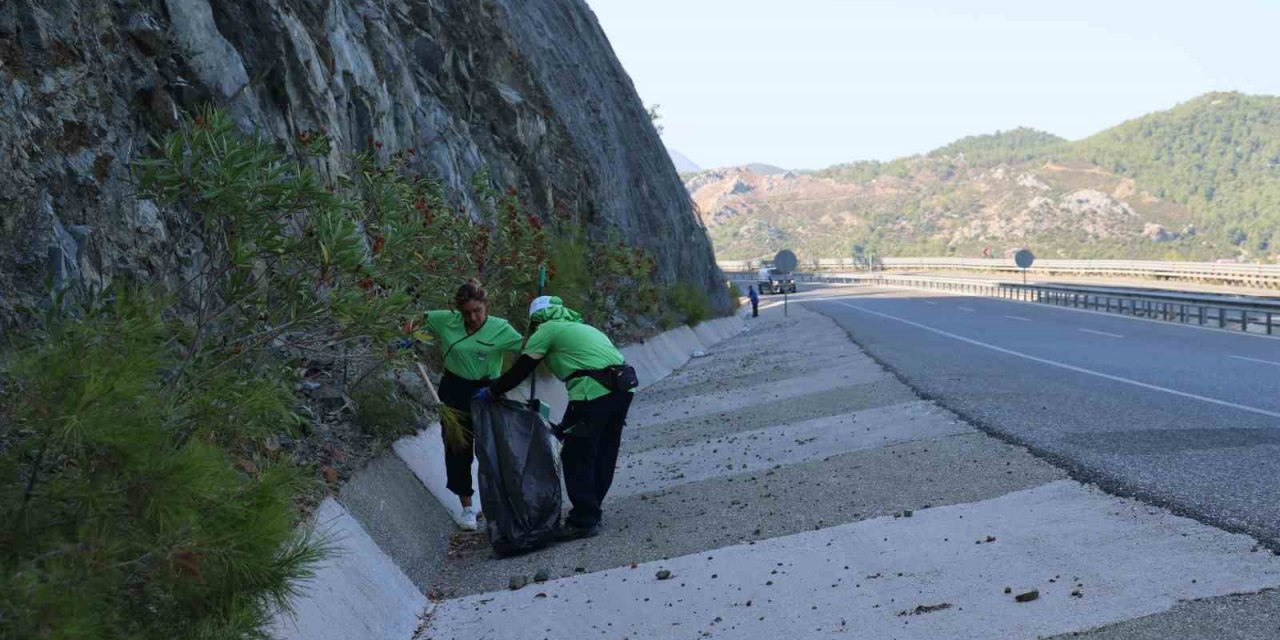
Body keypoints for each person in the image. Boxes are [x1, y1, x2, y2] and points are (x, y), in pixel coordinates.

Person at [478, 296, 636, 540]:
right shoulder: (582, 327)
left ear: (535, 319)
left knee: (576, 455)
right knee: (604, 451)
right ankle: (590, 512)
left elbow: (522, 368)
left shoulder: (546, 330)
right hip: (623, 390)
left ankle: (584, 519)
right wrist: (562, 427)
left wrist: (493, 391)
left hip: (591, 391)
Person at [419, 279, 523, 531]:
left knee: (493, 448)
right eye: (467, 313)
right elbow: (418, 319)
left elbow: (530, 349)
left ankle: (504, 502)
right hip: (455, 391)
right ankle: (467, 508)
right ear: (459, 311)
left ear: (486, 306)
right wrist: (407, 338)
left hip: (488, 392)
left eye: (478, 311)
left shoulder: (501, 329)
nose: (473, 317)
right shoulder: (447, 320)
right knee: (457, 448)